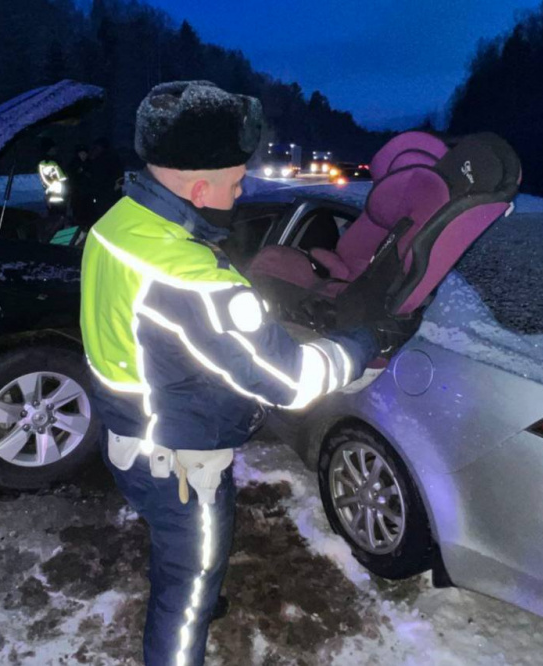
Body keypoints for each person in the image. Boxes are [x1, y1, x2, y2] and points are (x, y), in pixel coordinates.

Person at [79, 81, 386, 666]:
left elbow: (161, 334)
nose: (243, 187)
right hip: (177, 464)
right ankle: (188, 607)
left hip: (130, 437)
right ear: (198, 186)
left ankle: (190, 577)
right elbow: (291, 381)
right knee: (187, 586)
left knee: (180, 553)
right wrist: (361, 342)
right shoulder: (191, 277)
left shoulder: (116, 224)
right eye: (235, 178)